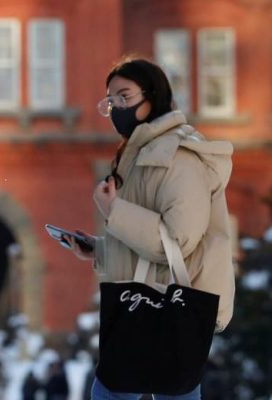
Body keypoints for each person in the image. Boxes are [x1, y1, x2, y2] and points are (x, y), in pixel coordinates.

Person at [67, 58, 235, 399]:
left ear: (153, 96)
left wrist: (114, 210)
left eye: (124, 97)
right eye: (110, 101)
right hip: (140, 305)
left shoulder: (180, 158)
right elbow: (144, 242)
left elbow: (177, 241)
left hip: (171, 307)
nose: (116, 108)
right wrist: (99, 250)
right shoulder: (137, 155)